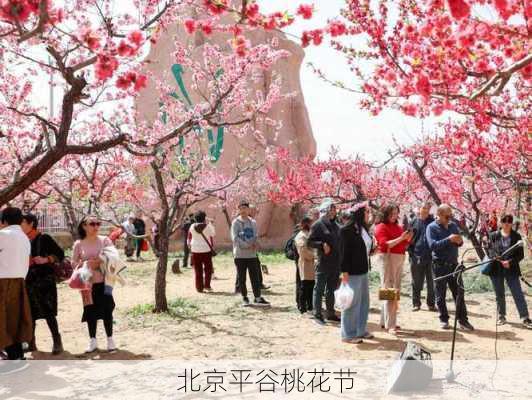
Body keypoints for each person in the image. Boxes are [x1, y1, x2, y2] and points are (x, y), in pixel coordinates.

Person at [21, 214, 65, 355]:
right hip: (29, 281)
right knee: (31, 313)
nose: (20, 225)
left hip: (44, 281)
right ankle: (31, 342)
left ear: (31, 223)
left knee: (48, 312)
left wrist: (47, 259)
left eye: (22, 222)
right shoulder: (21, 240)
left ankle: (57, 341)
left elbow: (60, 253)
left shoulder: (44, 238)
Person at [72, 216, 118, 352]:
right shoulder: (79, 244)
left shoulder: (105, 240)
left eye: (98, 223)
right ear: (84, 226)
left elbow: (114, 256)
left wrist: (101, 260)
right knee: (90, 312)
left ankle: (110, 339)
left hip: (104, 283)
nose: (96, 226)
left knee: (107, 310)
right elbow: (73, 263)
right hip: (87, 285)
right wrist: (85, 264)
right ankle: (92, 340)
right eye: (92, 224)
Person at [426, 204, 474, 331]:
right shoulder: (431, 227)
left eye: (451, 215)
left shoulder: (453, 225)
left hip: (454, 264)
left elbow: (459, 242)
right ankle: (444, 319)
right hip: (439, 266)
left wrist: (459, 241)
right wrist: (449, 239)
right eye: (447, 216)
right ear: (440, 215)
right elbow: (433, 245)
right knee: (440, 294)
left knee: (459, 293)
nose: (449, 218)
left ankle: (463, 320)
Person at [486, 214, 532, 329]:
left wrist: (510, 262)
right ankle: (501, 316)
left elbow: (520, 255)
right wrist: (498, 259)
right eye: (504, 221)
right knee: (499, 294)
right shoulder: (493, 235)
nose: (507, 223)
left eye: (509, 221)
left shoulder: (517, 236)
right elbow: (490, 251)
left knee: (518, 293)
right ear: (500, 222)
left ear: (512, 223)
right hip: (496, 269)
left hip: (511, 270)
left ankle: (525, 317)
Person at [374, 204, 412, 334]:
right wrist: (401, 238)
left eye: (396, 213)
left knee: (391, 290)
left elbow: (404, 244)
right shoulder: (380, 227)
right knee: (390, 290)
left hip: (399, 259)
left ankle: (385, 321)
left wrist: (407, 238)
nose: (395, 215)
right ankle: (391, 324)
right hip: (387, 259)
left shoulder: (398, 227)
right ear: (385, 214)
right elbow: (384, 244)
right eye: (392, 213)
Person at [0, 208, 32, 360]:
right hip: (19, 282)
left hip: (3, 281)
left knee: (4, 320)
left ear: (4, 221)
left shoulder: (3, 235)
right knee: (14, 320)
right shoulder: (24, 237)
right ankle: (17, 357)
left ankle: (13, 358)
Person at [340, 203, 374, 343]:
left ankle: (360, 330)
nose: (368, 214)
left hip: (363, 270)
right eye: (366, 211)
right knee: (351, 303)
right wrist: (344, 271)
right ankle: (348, 334)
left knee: (364, 302)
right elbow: (343, 253)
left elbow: (365, 247)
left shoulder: (363, 229)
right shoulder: (346, 230)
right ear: (360, 213)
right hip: (352, 271)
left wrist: (372, 250)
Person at [308, 199, 341, 325]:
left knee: (331, 289)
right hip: (323, 262)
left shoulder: (336, 225)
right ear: (326, 209)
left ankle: (330, 313)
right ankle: (317, 314)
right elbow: (309, 242)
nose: (333, 211)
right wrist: (322, 245)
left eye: (334, 209)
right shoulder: (318, 224)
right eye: (331, 209)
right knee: (319, 288)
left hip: (335, 262)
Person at [231, 201, 270, 307]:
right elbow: (235, 238)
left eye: (245, 208)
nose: (243, 210)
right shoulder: (235, 222)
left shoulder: (253, 222)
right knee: (242, 278)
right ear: (238, 210)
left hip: (252, 254)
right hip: (240, 255)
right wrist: (247, 245)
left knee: (255, 277)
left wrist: (254, 243)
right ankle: (244, 297)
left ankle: (257, 297)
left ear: (248, 210)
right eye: (241, 208)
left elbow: (255, 235)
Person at [407, 202, 437, 312]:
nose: (425, 210)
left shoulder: (433, 222)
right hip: (416, 255)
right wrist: (411, 253)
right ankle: (416, 303)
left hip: (431, 257)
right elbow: (408, 238)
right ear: (419, 209)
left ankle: (431, 303)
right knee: (416, 281)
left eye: (428, 208)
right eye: (423, 208)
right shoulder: (413, 221)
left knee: (432, 281)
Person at [188, 211, 216, 293]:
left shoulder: (192, 226)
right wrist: (211, 223)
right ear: (204, 218)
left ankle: (199, 288)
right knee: (208, 269)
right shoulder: (207, 226)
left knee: (198, 270)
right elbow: (213, 234)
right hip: (206, 250)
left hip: (195, 250)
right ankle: (207, 285)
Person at [294, 216, 316, 314]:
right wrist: (314, 256)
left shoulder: (308, 234)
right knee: (305, 286)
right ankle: (303, 307)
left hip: (311, 263)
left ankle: (310, 306)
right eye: (311, 223)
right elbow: (303, 251)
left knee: (311, 285)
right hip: (305, 263)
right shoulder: (301, 236)